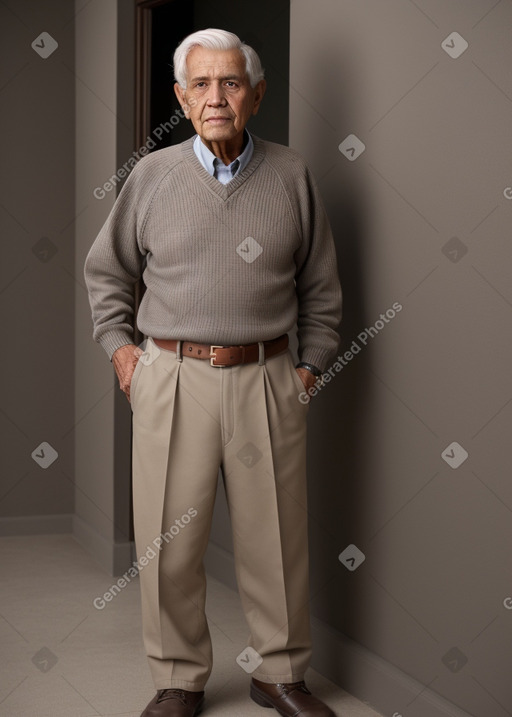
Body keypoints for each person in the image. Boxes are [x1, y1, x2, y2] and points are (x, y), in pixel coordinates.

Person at [84, 27, 342, 717]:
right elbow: (107, 271)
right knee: (169, 542)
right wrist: (122, 351)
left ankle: (280, 674)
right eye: (201, 84)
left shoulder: (292, 175)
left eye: (231, 83)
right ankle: (178, 679)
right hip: (171, 375)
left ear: (256, 95)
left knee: (276, 539)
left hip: (268, 375)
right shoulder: (151, 176)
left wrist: (309, 369)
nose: (216, 97)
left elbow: (322, 288)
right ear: (180, 96)